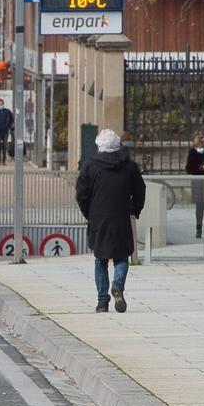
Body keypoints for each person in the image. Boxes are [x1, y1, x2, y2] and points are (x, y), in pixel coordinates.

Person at [76, 129, 146, 313]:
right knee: (122, 256)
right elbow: (140, 189)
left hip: (98, 218)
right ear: (118, 146)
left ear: (99, 146)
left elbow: (81, 194)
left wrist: (88, 213)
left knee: (100, 259)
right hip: (121, 216)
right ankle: (118, 284)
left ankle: (102, 301)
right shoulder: (129, 166)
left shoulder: (90, 166)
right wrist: (135, 209)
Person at [0, 101, 14, 165]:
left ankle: (4, 160)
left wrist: (8, 126)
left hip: (5, 131)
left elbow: (11, 119)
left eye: (1, 104)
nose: (0, 105)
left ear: (3, 104)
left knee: (4, 146)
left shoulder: (7, 112)